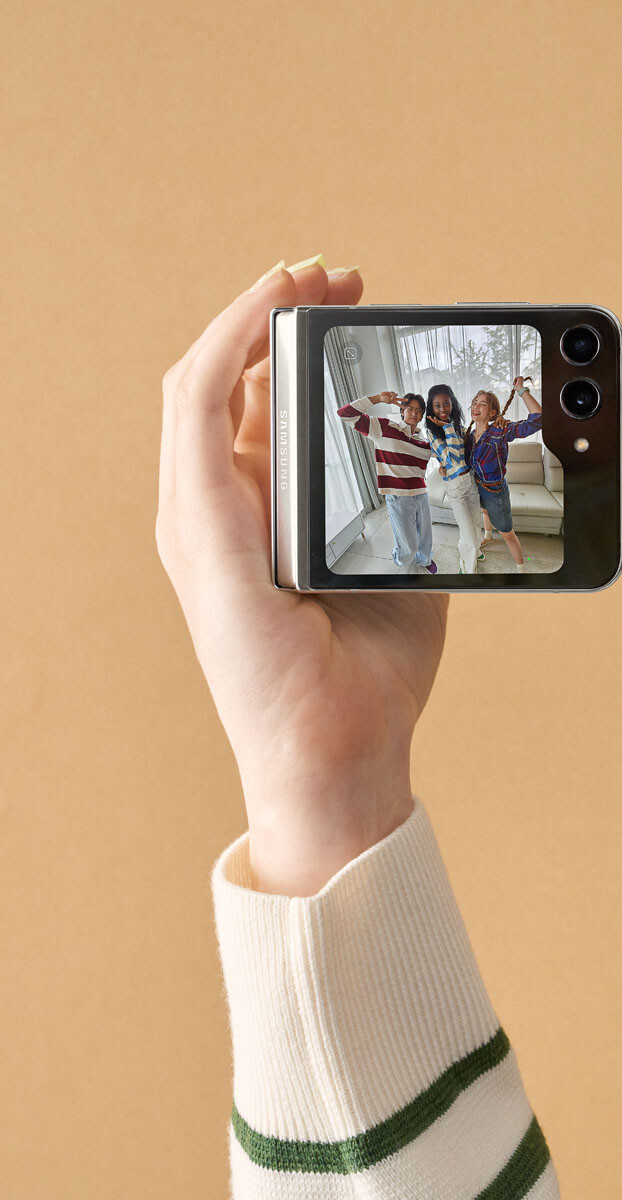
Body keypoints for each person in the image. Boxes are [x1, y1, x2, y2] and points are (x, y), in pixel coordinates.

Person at [155, 257, 561, 1199]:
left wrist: (319, 788)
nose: (438, 408)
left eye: (442, 405)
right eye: (433, 404)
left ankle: (486, 545)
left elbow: (504, 421)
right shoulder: (407, 424)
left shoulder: (462, 429)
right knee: (434, 534)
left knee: (465, 528)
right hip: (426, 500)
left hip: (449, 492)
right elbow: (365, 409)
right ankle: (473, 546)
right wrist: (316, 785)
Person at [337, 389, 437, 574]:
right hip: (398, 496)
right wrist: (377, 399)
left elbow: (443, 457)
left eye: (418, 410)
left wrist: (445, 466)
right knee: (407, 543)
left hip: (421, 493)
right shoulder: (384, 428)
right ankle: (401, 559)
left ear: (422, 415)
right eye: (410, 409)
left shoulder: (424, 442)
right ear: (402, 411)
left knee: (425, 536)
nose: (414, 413)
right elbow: (345, 414)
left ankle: (424, 559)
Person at [466, 377, 543, 572]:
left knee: (507, 533)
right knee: (484, 511)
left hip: (495, 491)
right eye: (474, 402)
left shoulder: (500, 431)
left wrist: (521, 389)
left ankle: (521, 568)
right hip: (477, 486)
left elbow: (538, 419)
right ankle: (488, 536)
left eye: (482, 404)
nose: (476, 406)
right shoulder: (469, 436)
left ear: (492, 412)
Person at [424, 382, 485, 574]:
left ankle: (476, 552)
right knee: (467, 532)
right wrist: (448, 428)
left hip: (471, 481)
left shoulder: (459, 426)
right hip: (455, 486)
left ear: (453, 403)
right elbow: (454, 458)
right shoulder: (432, 432)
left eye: (446, 403)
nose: (442, 409)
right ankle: (467, 570)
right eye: (437, 405)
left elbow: (469, 454)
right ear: (431, 408)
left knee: (476, 525)